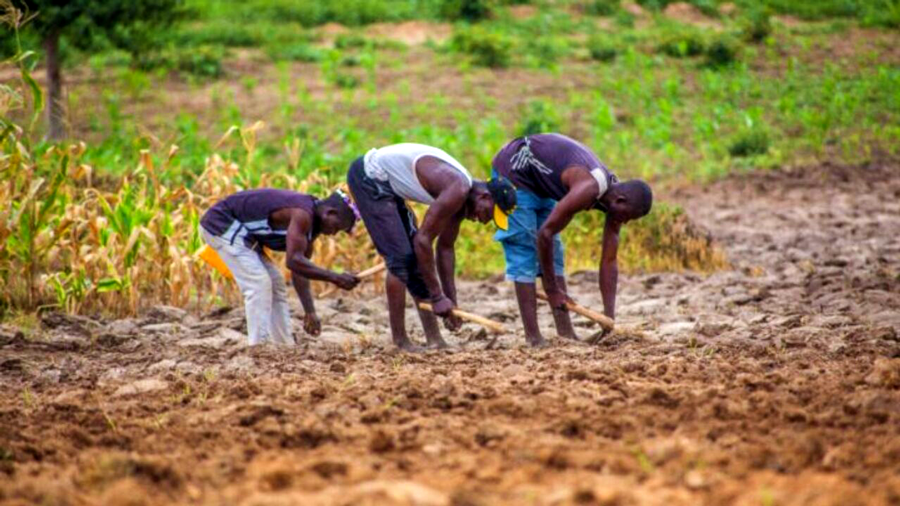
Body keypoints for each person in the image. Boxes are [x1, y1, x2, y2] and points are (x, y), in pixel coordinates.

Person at [347, 143, 517, 351]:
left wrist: (450, 302)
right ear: (484, 197)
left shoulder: (462, 199)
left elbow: (445, 248)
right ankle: (400, 341)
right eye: (489, 214)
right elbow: (423, 241)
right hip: (369, 177)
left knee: (418, 263)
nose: (484, 221)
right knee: (401, 260)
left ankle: (435, 340)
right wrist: (437, 296)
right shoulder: (458, 188)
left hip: (388, 185)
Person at [492, 133, 653, 347]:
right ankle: (533, 338)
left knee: (555, 253)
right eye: (628, 217)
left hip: (541, 182)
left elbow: (609, 261)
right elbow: (544, 234)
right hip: (513, 171)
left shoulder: (614, 202)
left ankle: (566, 334)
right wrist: (551, 291)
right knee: (525, 248)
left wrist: (608, 320)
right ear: (621, 201)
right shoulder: (588, 188)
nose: (625, 223)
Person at [200, 189, 361, 345]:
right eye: (337, 227)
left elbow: (300, 269)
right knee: (258, 284)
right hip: (221, 223)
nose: (334, 233)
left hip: (243, 234)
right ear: (330, 213)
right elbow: (293, 261)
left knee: (276, 284)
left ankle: (283, 345)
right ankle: (258, 347)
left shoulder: (312, 229)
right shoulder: (303, 214)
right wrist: (335, 277)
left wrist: (309, 312)